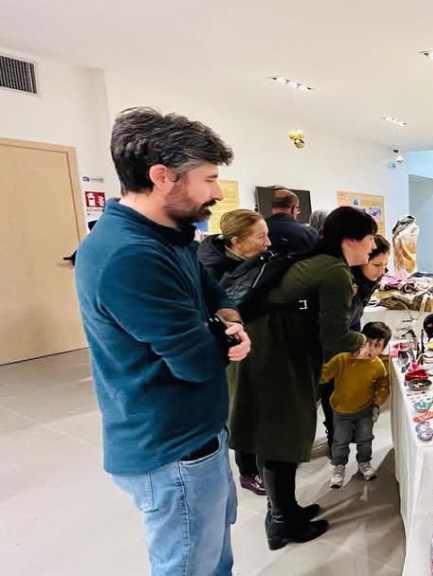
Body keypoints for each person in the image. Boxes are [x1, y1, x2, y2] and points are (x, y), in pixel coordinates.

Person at [75, 107, 251, 576]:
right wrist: (223, 337)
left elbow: (215, 293)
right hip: (174, 446)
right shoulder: (130, 254)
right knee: (189, 564)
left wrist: (227, 321)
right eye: (209, 179)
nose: (217, 192)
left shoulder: (170, 236)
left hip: (197, 432)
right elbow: (195, 360)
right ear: (161, 176)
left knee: (214, 556)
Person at [229, 206, 377, 550]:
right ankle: (281, 523)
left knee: (276, 436)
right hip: (274, 358)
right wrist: (365, 341)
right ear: (350, 240)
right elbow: (335, 337)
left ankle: (285, 510)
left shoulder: (318, 261)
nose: (372, 247)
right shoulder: (335, 271)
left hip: (269, 353)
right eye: (370, 239)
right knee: (279, 437)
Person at [197, 208, 271, 496]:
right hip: (230, 352)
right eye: (260, 237)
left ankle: (260, 462)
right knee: (242, 408)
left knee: (256, 407)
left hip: (252, 345)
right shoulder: (212, 271)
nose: (268, 243)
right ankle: (248, 471)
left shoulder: (252, 260)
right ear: (236, 242)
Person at [318, 234, 391, 456]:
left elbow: (355, 311)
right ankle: (334, 437)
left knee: (349, 383)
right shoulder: (342, 282)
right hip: (331, 342)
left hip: (349, 330)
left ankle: (345, 431)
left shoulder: (366, 280)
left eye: (385, 265)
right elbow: (331, 328)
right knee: (333, 386)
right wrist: (357, 340)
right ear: (362, 260)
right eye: (377, 265)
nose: (382, 271)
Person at [321, 322, 392, 487]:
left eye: (377, 346)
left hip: (365, 410)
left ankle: (364, 462)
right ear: (360, 340)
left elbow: (383, 383)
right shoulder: (342, 359)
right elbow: (324, 373)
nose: (371, 349)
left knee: (365, 439)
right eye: (368, 342)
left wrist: (379, 398)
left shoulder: (377, 365)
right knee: (340, 440)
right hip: (341, 411)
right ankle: (339, 466)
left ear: (383, 349)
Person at [265, 188, 318, 254]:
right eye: (297, 209)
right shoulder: (310, 233)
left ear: (273, 208)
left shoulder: (258, 230)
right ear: (293, 208)